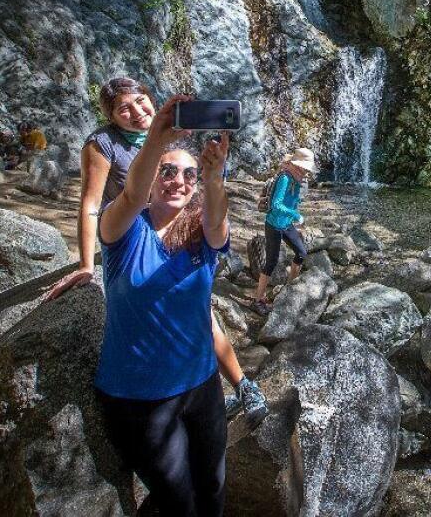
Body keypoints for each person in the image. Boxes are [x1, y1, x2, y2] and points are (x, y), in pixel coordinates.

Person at [44, 77, 265, 427]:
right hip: (130, 239)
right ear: (111, 116)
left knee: (198, 310)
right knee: (192, 314)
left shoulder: (170, 133)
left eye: (141, 102)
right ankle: (218, 389)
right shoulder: (103, 144)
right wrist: (86, 264)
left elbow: (191, 184)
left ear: (152, 100)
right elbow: (90, 204)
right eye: (124, 108)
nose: (136, 112)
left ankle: (238, 385)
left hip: (181, 233)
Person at [93, 95, 229, 515]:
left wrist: (214, 178)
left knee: (213, 490)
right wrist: (156, 138)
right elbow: (132, 195)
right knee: (178, 504)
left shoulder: (200, 236)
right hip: (139, 398)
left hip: (202, 386)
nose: (178, 181)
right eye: (167, 172)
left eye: (188, 175)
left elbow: (217, 224)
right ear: (152, 177)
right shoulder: (123, 231)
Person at [250, 148, 316, 313]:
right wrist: (295, 214)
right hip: (273, 224)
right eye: (305, 167)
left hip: (286, 224)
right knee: (271, 262)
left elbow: (292, 202)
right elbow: (276, 205)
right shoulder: (285, 178)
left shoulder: (297, 179)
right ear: (297, 165)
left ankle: (289, 288)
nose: (307, 171)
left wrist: (294, 216)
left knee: (301, 253)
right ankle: (258, 300)